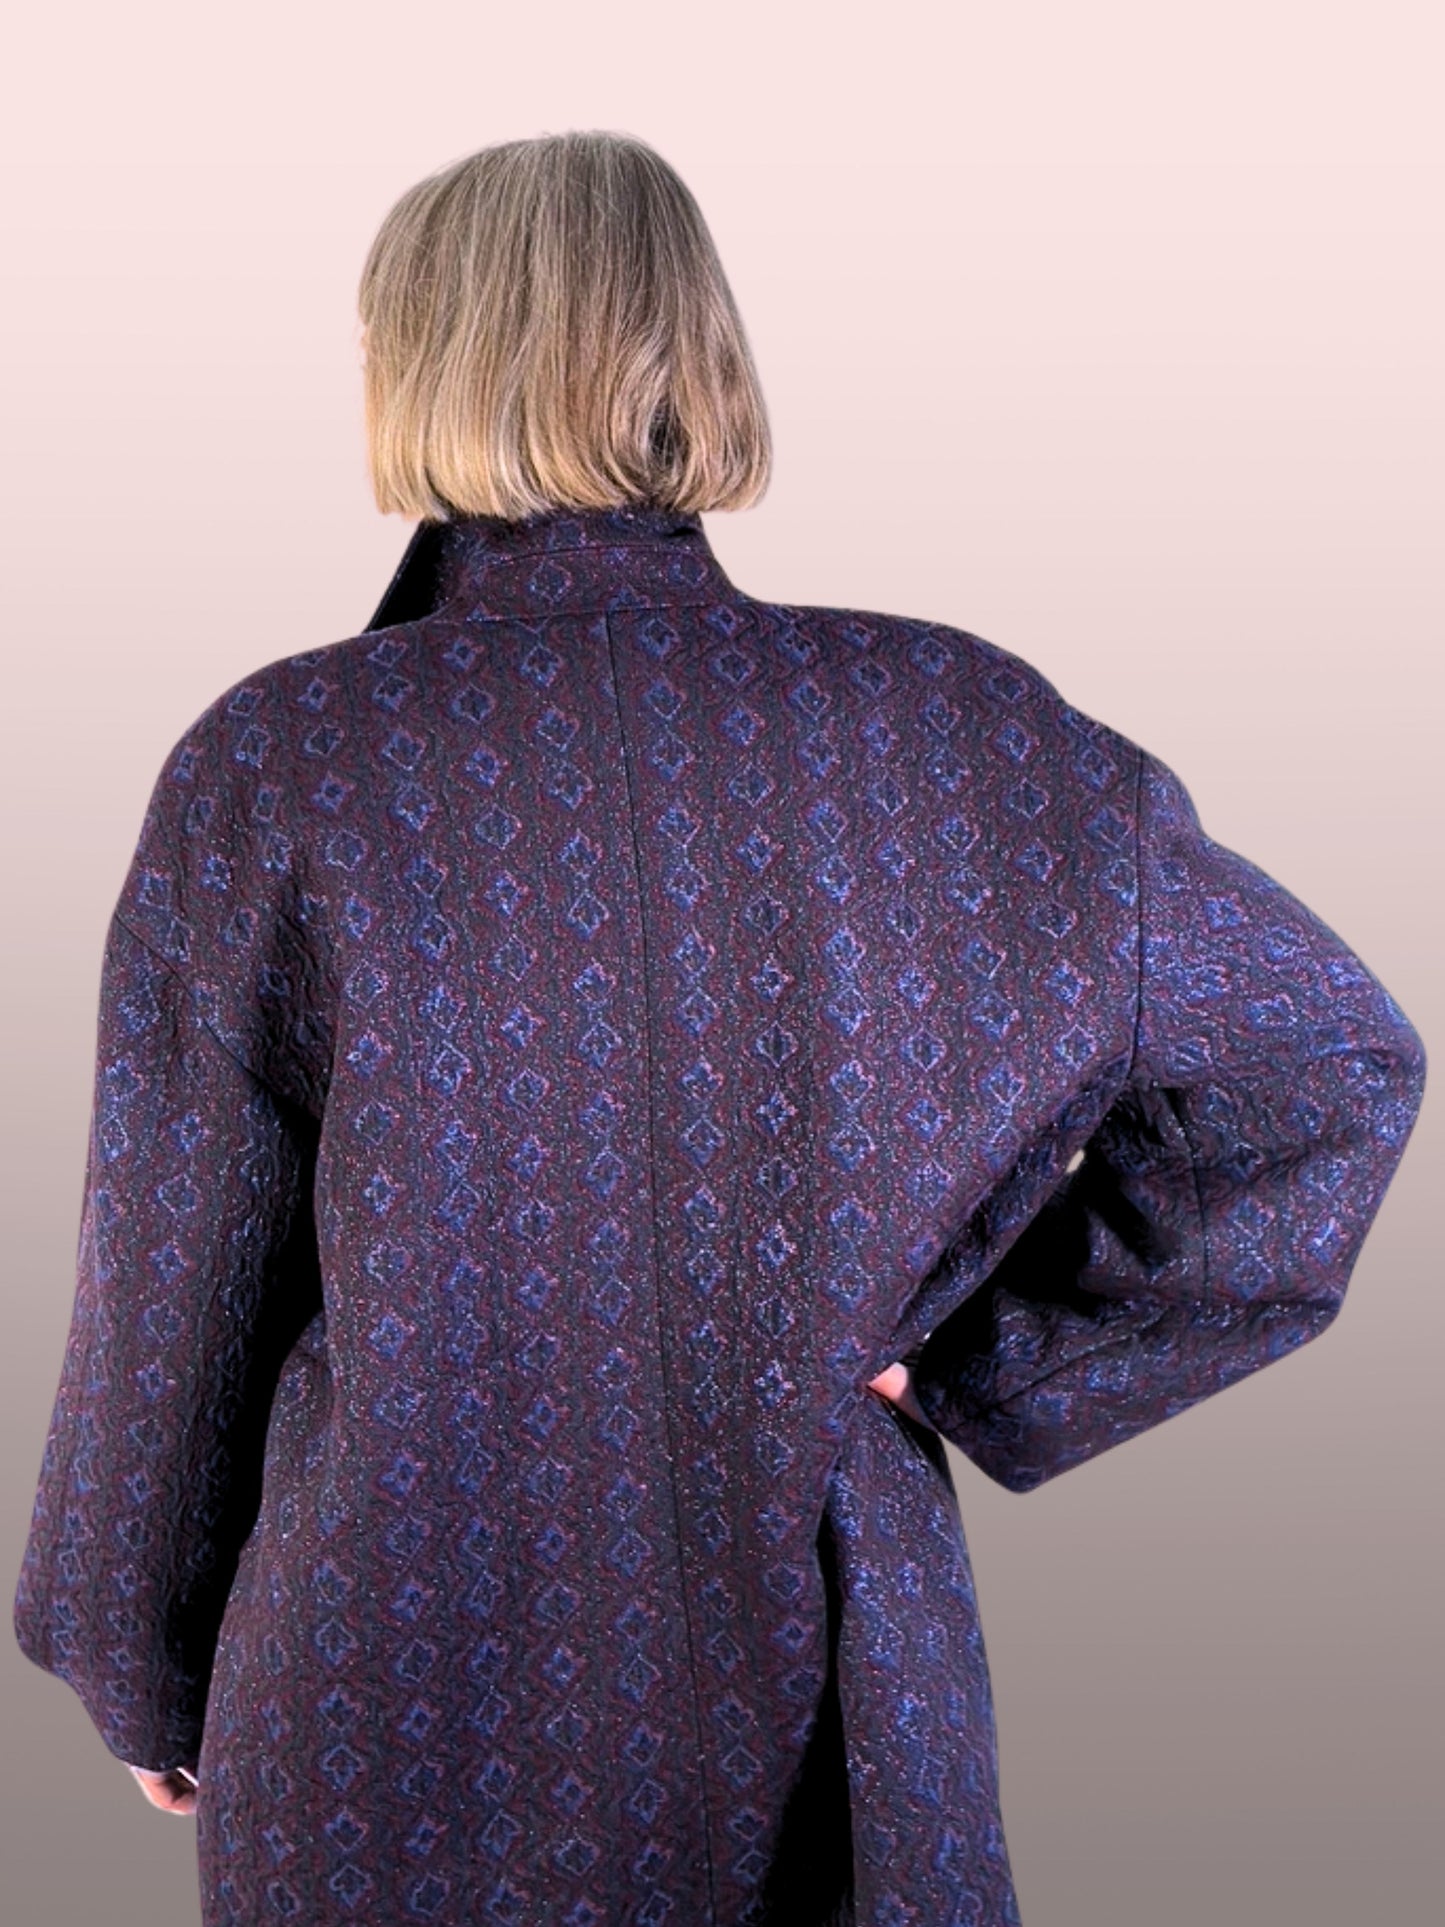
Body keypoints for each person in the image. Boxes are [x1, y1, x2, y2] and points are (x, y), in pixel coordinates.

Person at [12, 129, 1425, 1927]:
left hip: (382, 1697)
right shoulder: (967, 730)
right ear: (704, 350)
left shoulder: (282, 764)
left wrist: (136, 1658)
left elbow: (174, 1294)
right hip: (825, 1675)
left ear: (411, 360)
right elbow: (1321, 1065)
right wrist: (1003, 1361)